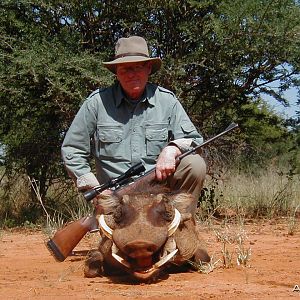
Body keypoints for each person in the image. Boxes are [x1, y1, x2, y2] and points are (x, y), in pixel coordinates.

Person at [61, 36, 206, 213]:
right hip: (115, 197)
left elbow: (194, 140)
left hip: (157, 191)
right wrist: (95, 188)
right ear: (116, 72)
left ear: (149, 68)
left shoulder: (167, 101)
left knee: (195, 164)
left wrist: (172, 149)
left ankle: (180, 225)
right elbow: (72, 149)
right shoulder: (97, 102)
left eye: (138, 67)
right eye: (125, 69)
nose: (132, 74)